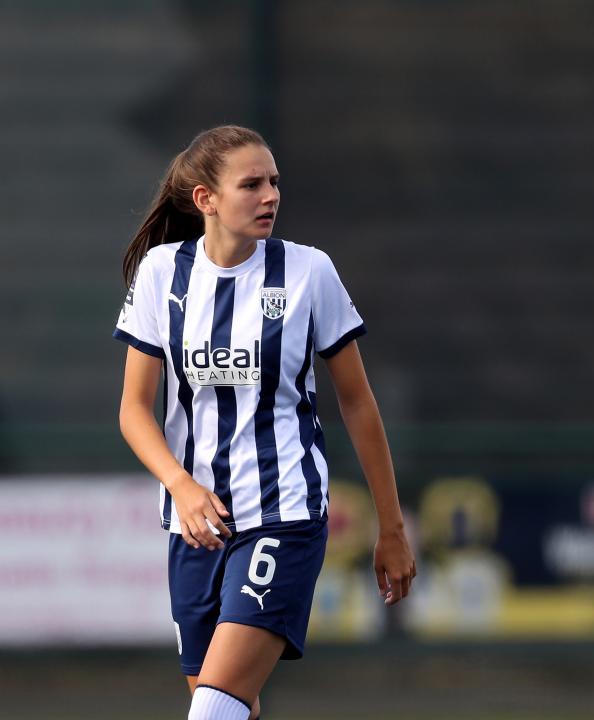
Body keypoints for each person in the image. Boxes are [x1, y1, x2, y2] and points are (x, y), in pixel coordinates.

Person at [114, 125, 415, 720]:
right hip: (196, 529)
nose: (270, 195)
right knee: (231, 709)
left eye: (274, 181)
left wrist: (392, 526)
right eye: (250, 184)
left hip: (285, 514)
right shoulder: (161, 275)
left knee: (212, 715)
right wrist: (181, 484)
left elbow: (357, 402)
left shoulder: (308, 273)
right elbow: (132, 409)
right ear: (206, 199)